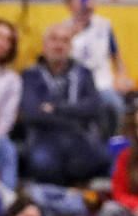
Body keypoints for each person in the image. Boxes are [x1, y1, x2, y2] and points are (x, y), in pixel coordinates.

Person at [19, 20, 110, 186]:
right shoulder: (30, 75)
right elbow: (31, 114)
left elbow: (95, 108)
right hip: (44, 138)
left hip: (78, 137)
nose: (59, 45)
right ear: (44, 45)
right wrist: (74, 116)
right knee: (42, 163)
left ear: (70, 46)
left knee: (107, 158)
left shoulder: (84, 73)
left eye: (65, 40)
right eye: (54, 39)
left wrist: (56, 108)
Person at [64, 0, 133, 137]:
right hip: (75, 86)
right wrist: (71, 36)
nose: (87, 3)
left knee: (113, 104)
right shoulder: (62, 30)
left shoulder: (104, 26)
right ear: (69, 4)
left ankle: (110, 142)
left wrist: (122, 76)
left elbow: (116, 57)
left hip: (102, 85)